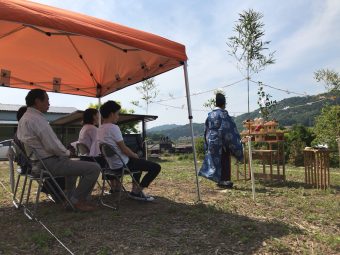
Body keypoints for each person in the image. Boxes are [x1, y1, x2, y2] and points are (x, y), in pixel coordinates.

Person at [17, 89, 101, 211]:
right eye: (47, 100)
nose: (49, 103)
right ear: (37, 101)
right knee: (95, 168)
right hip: (49, 162)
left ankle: (69, 198)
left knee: (74, 166)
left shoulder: (25, 118)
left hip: (37, 163)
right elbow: (52, 146)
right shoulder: (37, 119)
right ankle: (75, 201)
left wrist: (65, 154)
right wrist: (67, 153)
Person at [97, 100, 161, 201]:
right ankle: (137, 191)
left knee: (138, 162)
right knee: (156, 167)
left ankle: (134, 190)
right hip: (122, 164)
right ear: (111, 114)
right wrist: (134, 155)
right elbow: (124, 149)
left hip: (111, 165)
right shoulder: (113, 128)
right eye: (117, 114)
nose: (118, 116)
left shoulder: (100, 129)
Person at [199, 93, 244, 189]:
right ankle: (224, 181)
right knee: (224, 161)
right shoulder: (224, 115)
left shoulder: (210, 115)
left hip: (212, 142)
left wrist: (208, 143)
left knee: (215, 162)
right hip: (222, 143)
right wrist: (236, 146)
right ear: (224, 103)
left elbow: (206, 130)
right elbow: (229, 130)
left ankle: (219, 180)